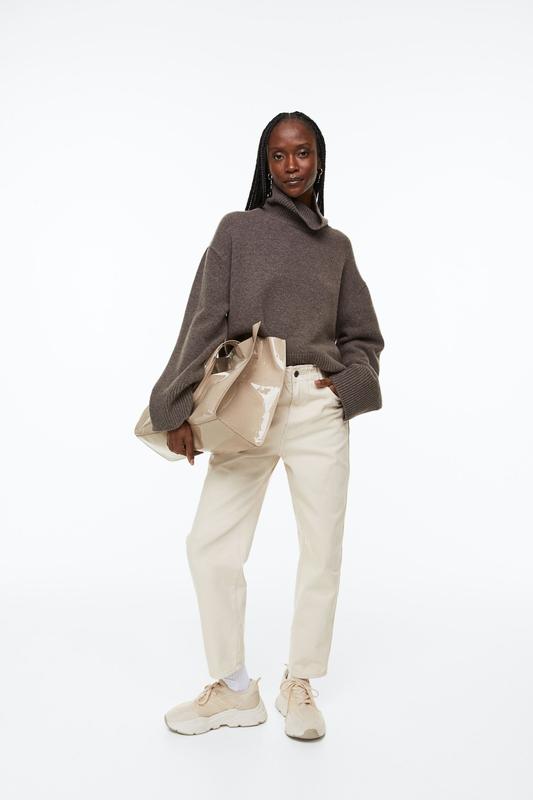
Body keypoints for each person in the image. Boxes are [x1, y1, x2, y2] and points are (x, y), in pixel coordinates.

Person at [148, 111, 385, 739]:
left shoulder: (337, 248)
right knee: (209, 544)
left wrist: (346, 387)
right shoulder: (237, 231)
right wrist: (175, 406)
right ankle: (233, 689)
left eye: (302, 153)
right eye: (279, 155)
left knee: (322, 549)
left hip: (315, 406)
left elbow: (363, 336)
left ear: (319, 160)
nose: (291, 165)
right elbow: (204, 319)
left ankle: (299, 682)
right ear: (265, 162)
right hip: (246, 407)